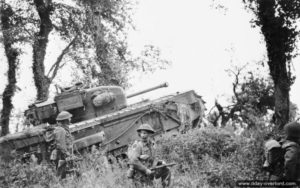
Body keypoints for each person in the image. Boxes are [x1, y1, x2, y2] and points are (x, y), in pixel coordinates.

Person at [127, 123, 171, 187]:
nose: (143, 135)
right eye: (141, 133)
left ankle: (166, 186)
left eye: (145, 133)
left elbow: (152, 158)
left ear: (149, 134)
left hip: (151, 170)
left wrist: (160, 162)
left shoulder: (152, 145)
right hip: (140, 174)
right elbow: (133, 161)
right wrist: (145, 170)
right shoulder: (138, 145)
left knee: (166, 170)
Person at [50, 111, 74, 179]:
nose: (70, 119)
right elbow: (61, 144)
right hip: (62, 154)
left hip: (66, 153)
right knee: (62, 173)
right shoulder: (61, 130)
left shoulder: (64, 129)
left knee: (68, 171)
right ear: (65, 120)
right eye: (69, 118)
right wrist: (67, 153)